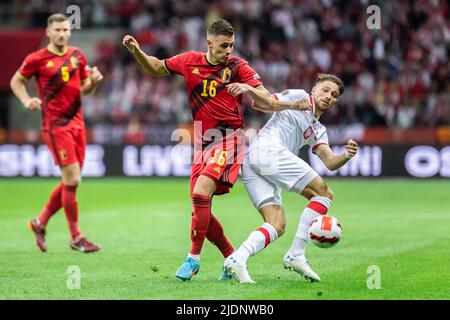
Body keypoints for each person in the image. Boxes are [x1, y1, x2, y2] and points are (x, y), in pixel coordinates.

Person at [123, 19, 307, 281]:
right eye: (223, 45)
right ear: (209, 43)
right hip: (202, 143)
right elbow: (155, 67)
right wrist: (137, 52)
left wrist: (247, 88)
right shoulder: (189, 61)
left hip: (229, 139)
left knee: (200, 193)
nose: (228, 50)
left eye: (231, 45)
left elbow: (267, 98)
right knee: (200, 211)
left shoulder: (238, 67)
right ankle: (231, 258)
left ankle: (193, 259)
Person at [223, 73, 358, 283]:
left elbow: (330, 162)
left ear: (335, 102)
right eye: (325, 90)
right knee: (324, 194)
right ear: (314, 90)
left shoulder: (319, 130)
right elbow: (263, 105)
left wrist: (346, 156)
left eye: (333, 95)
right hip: (267, 150)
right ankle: (295, 254)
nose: (328, 96)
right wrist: (249, 90)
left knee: (277, 224)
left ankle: (237, 259)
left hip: (255, 162)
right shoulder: (299, 95)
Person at [10, 13, 103, 253]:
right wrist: (26, 99)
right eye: (57, 30)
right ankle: (76, 237)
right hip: (56, 126)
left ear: (69, 32)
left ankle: (39, 223)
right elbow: (16, 81)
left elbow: (86, 90)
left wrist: (93, 82)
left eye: (65, 30)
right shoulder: (37, 59)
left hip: (78, 125)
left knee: (69, 182)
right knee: (72, 179)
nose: (62, 34)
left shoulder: (77, 56)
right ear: (48, 32)